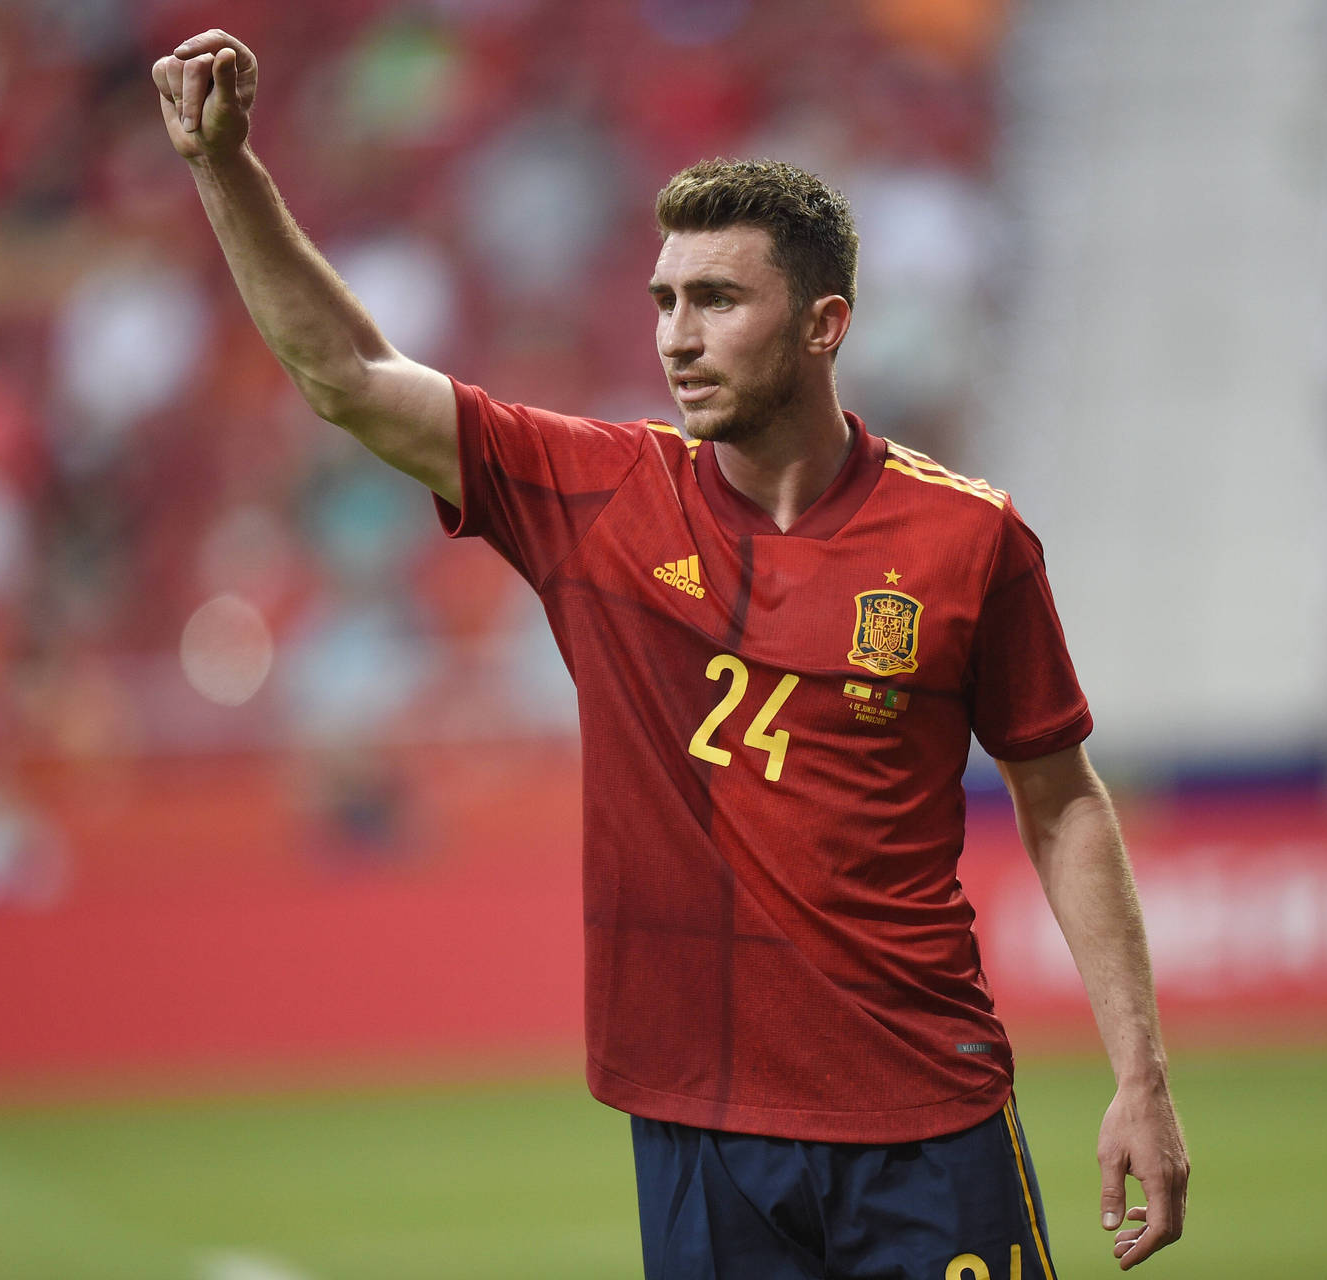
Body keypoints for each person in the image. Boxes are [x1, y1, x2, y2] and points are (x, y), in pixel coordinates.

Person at [154, 29, 1188, 1277]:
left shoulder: (969, 538)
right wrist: (225, 166)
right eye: (665, 301)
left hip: (928, 1113)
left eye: (718, 301)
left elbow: (1061, 798)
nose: (677, 337)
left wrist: (1140, 1074)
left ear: (825, 324)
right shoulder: (599, 497)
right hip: (702, 1127)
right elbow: (349, 374)